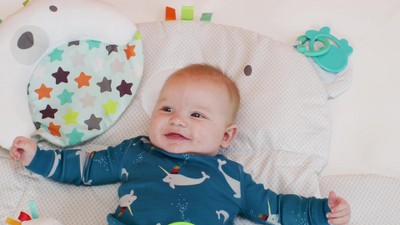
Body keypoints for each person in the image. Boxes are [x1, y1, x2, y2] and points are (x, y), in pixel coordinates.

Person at [10, 64, 351, 225]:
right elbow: (85, 167)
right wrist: (38, 157)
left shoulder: (230, 175)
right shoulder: (135, 152)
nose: (177, 120)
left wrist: (320, 212)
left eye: (197, 116)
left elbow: (271, 207)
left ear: (226, 136)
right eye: (167, 109)